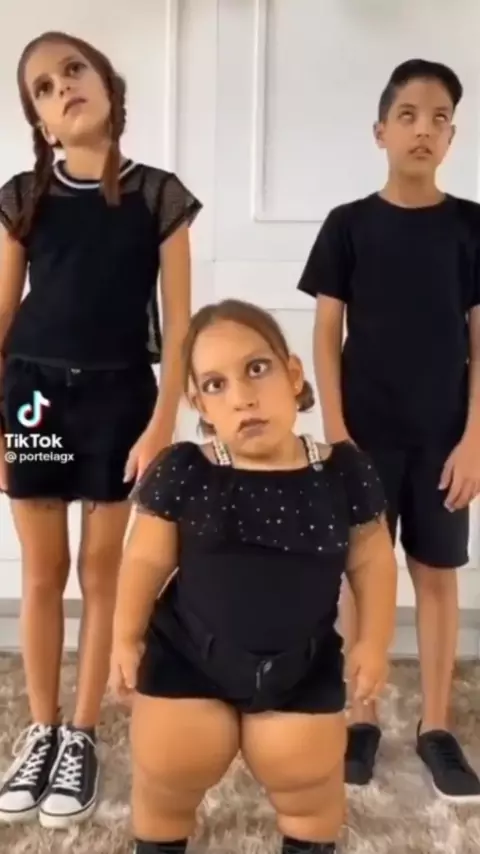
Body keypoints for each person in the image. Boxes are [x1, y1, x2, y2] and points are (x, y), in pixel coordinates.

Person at [109, 298, 397, 854]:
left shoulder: (344, 471)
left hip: (300, 665)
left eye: (257, 369)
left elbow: (373, 561)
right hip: (187, 659)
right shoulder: (186, 469)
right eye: (216, 385)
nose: (242, 396)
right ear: (198, 403)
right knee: (167, 774)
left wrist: (373, 642)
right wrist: (125, 635)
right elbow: (144, 560)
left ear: (293, 374)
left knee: (310, 786)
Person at [0, 31, 201, 829]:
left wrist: (161, 422)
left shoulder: (159, 196)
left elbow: (179, 329)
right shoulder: (22, 197)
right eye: (44, 89)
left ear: (109, 85)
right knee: (43, 571)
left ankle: (81, 734)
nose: (63, 89)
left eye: (73, 71)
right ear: (41, 122)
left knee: (101, 571)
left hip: (121, 400)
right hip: (34, 399)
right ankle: (41, 729)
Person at [297, 58, 480, 801]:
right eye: (408, 115)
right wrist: (338, 434)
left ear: (452, 137)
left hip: (444, 440)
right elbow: (326, 335)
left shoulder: (471, 226)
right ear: (380, 131)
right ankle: (360, 715)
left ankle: (436, 726)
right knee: (361, 573)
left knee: (436, 574)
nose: (423, 130)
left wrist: (475, 440)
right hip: (365, 435)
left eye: (439, 119)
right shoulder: (348, 225)